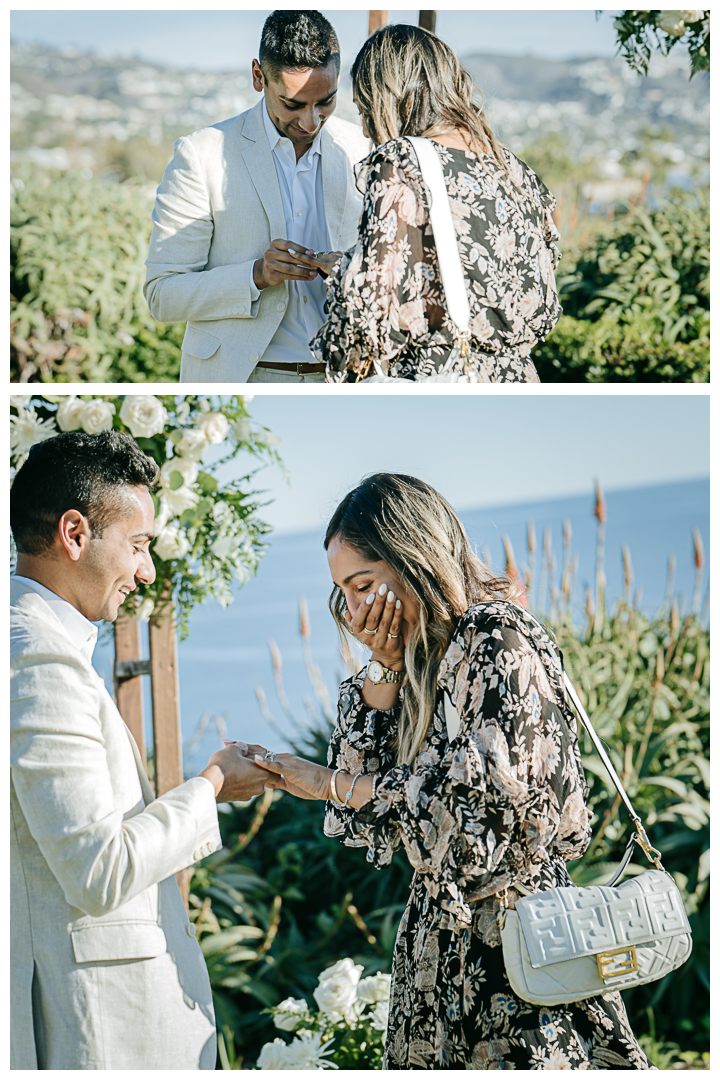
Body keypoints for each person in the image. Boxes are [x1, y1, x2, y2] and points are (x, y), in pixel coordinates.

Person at [256, 474, 655, 1070]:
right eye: (344, 592)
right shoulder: (424, 657)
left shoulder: (496, 641)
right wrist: (384, 670)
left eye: (364, 585)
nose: (358, 609)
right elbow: (368, 827)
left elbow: (472, 829)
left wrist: (330, 784)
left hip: (518, 956)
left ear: (412, 557)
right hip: (441, 955)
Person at [10, 430, 272, 1070]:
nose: (147, 571)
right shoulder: (37, 656)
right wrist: (210, 786)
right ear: (75, 534)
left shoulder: (39, 642)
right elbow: (97, 871)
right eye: (136, 545)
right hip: (101, 1031)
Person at [307, 26, 562, 382]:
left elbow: (369, 317)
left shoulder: (402, 161)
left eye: (366, 109)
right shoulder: (516, 170)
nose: (365, 129)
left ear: (392, 98)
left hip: (439, 377)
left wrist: (344, 273)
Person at [144, 10, 369, 383]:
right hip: (242, 380)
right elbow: (163, 295)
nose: (311, 122)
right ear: (257, 77)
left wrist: (350, 270)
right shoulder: (202, 155)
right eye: (293, 105)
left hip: (345, 382)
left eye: (325, 101)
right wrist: (256, 275)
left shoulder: (363, 150)